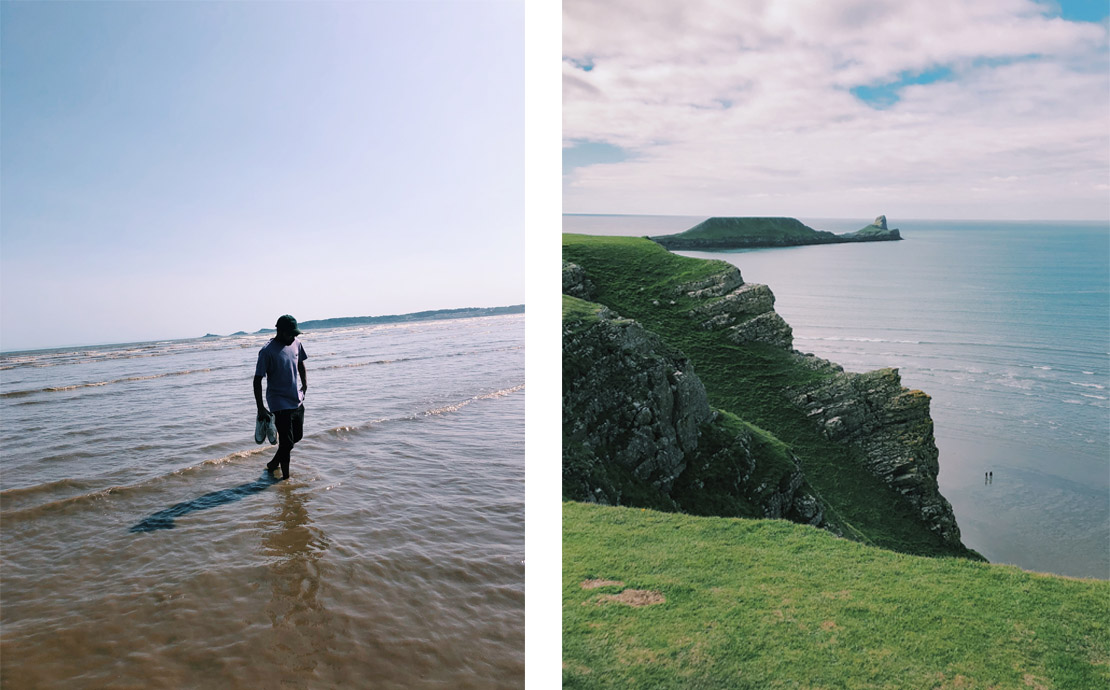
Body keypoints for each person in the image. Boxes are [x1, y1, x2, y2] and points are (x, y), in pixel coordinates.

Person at [254, 315, 308, 480]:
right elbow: (257, 380)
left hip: (295, 398)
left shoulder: (296, 343)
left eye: (295, 334)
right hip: (278, 403)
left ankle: (273, 463)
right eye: (290, 334)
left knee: (296, 436)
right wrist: (261, 408)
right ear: (280, 331)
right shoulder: (267, 351)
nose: (293, 337)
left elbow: (300, 364)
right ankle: (285, 479)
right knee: (287, 443)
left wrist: (305, 385)